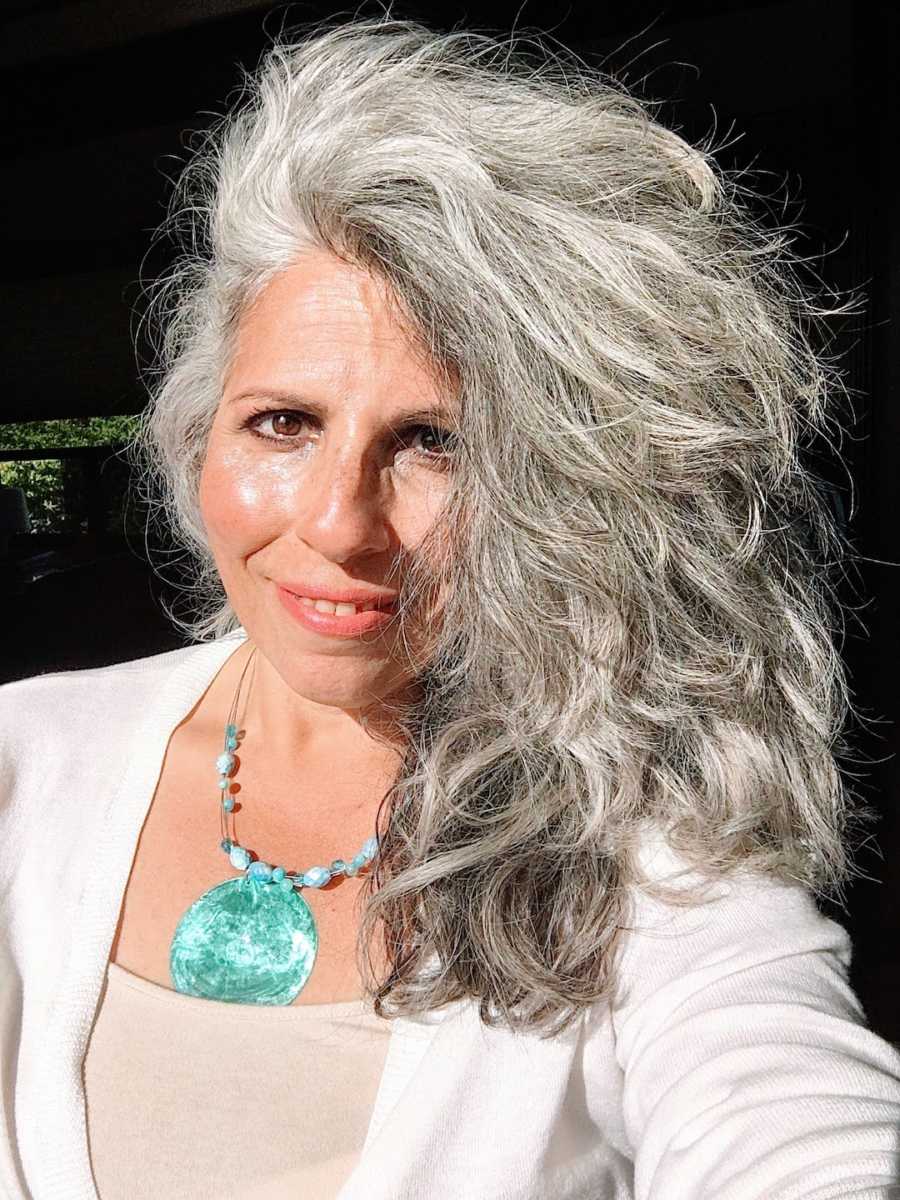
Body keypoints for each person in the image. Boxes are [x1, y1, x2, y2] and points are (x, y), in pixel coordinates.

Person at [1, 14, 899, 1200]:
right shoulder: (24, 759)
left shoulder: (647, 835)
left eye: (435, 443)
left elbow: (787, 1114)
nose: (337, 523)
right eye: (284, 422)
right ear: (196, 432)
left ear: (570, 488)